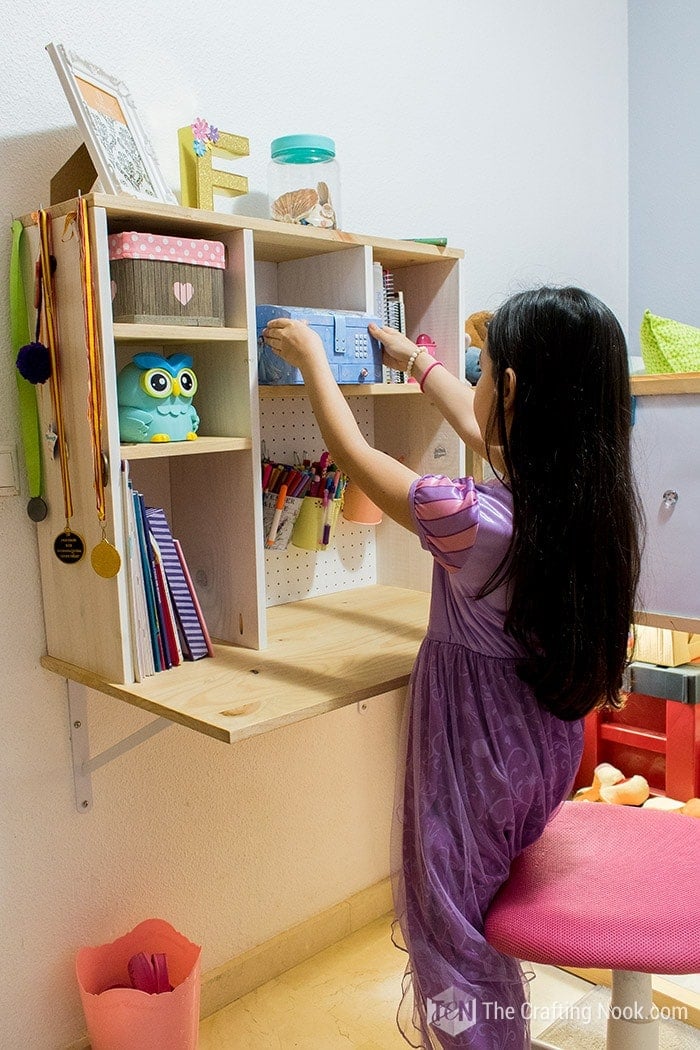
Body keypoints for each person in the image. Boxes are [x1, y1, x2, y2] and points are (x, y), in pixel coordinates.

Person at [262, 285, 641, 1049]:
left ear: (509, 391)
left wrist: (312, 362)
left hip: (475, 753)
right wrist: (417, 362)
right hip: (539, 744)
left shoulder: (468, 517)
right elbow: (484, 428)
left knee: (452, 923)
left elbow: (360, 462)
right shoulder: (584, 495)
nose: (471, 383)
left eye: (482, 368)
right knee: (480, 900)